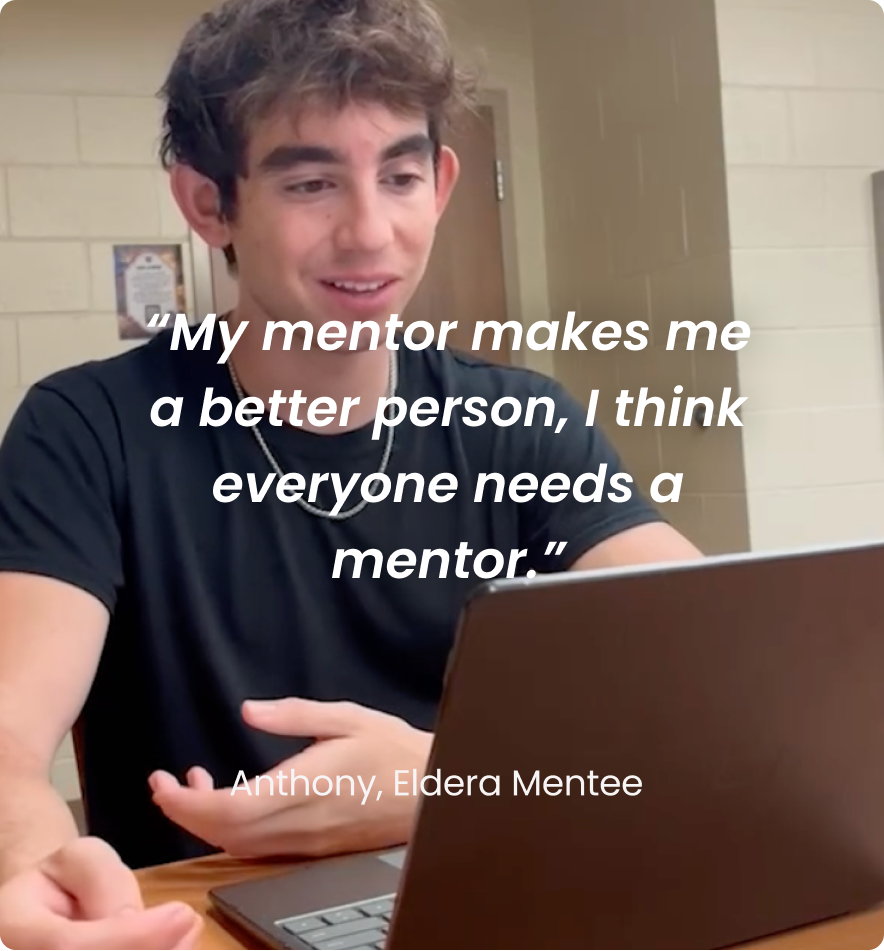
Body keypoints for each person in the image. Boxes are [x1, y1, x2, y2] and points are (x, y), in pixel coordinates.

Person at [0, 0, 702, 947]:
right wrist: (37, 871)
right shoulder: (87, 427)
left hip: (485, 897)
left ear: (442, 183)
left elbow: (710, 685)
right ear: (210, 202)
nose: (371, 234)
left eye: (401, 175)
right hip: (195, 924)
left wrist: (447, 780)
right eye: (312, 184)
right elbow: (7, 742)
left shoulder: (521, 422)